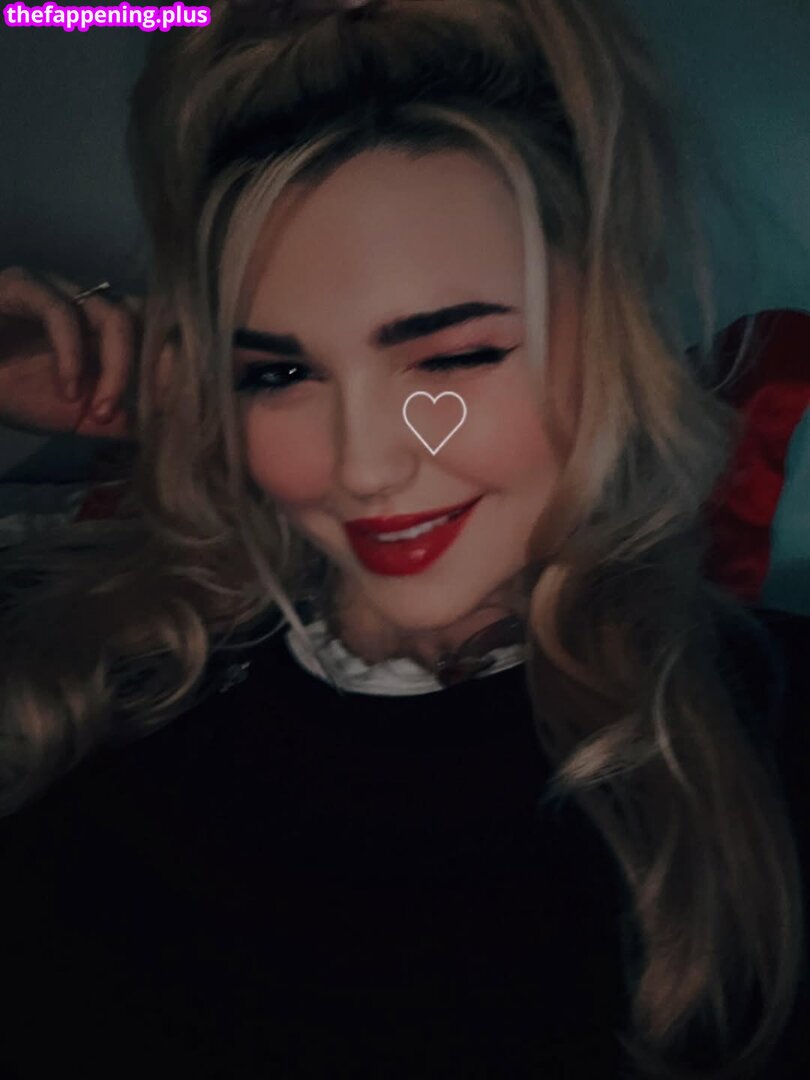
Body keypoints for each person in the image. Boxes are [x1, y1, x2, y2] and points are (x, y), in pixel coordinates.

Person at [0, 1, 807, 1077]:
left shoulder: (775, 733)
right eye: (280, 373)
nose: (366, 466)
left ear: (610, 338)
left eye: (454, 356)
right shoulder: (83, 678)